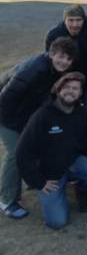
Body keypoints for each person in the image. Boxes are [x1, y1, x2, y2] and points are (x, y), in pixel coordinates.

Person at [0, 37, 78, 219]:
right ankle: (7, 200)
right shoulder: (35, 69)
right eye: (61, 56)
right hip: (5, 115)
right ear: (51, 54)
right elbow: (5, 98)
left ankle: (32, 178)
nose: (64, 62)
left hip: (22, 115)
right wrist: (19, 127)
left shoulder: (55, 70)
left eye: (68, 59)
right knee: (16, 152)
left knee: (36, 146)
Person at [16, 72, 87, 230]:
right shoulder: (42, 115)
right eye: (67, 87)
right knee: (57, 222)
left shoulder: (82, 114)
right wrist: (38, 182)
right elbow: (22, 152)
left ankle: (81, 191)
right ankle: (58, 193)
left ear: (80, 93)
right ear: (58, 89)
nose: (71, 91)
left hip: (72, 162)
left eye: (75, 88)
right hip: (49, 174)